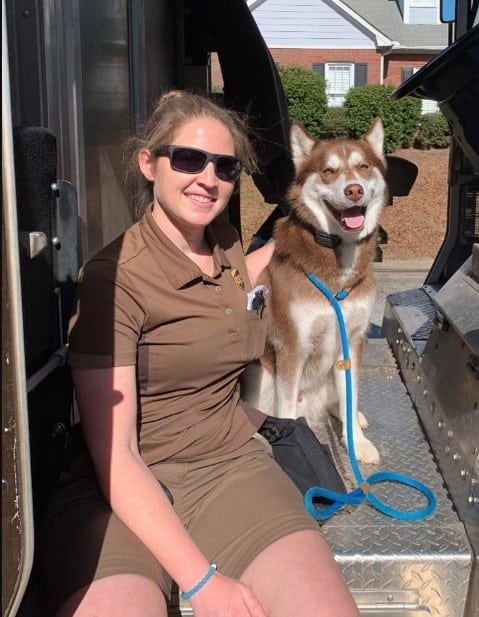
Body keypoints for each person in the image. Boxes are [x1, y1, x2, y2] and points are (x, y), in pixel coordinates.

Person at [38, 90, 359, 617]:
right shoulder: (113, 280)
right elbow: (117, 459)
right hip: (125, 488)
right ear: (149, 164)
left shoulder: (225, 240)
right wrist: (205, 583)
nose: (208, 179)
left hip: (229, 465)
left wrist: (317, 234)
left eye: (225, 166)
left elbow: (241, 280)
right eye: (188, 159)